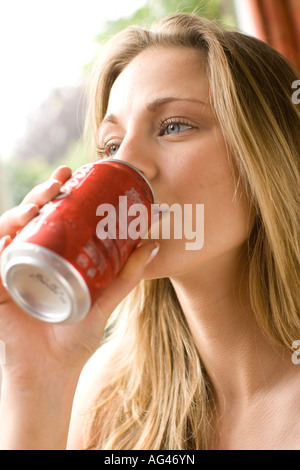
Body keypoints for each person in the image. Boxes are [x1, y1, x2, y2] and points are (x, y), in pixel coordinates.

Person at [0, 12, 299, 450]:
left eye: (174, 125)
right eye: (111, 145)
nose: (125, 163)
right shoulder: (106, 399)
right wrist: (37, 382)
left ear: (266, 155)